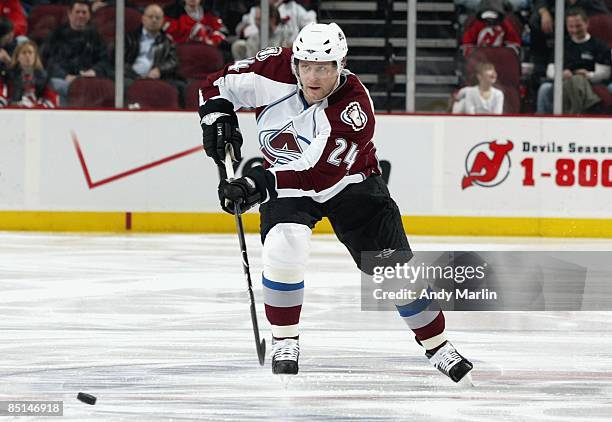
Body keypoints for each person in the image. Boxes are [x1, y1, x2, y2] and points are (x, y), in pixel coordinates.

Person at [197, 22, 474, 382]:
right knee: (285, 246)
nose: (314, 77)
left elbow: (316, 176)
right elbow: (215, 84)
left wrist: (257, 184)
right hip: (286, 186)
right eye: (306, 66)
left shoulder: (353, 107)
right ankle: (284, 339)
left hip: (352, 185)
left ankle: (438, 345)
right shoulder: (272, 69)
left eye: (325, 67)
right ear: (294, 62)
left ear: (341, 65)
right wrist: (216, 117)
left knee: (395, 274)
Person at [536, 7, 611, 114]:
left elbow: (605, 73)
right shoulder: (562, 44)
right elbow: (550, 70)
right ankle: (542, 122)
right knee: (544, 88)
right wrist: (561, 74)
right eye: (571, 27)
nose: (575, 30)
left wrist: (589, 75)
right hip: (563, 81)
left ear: (587, 23)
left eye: (578, 26)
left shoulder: (599, 45)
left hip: (590, 82)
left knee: (577, 81)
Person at [43, 0, 111, 105]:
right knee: (65, 87)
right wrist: (66, 76)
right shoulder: (56, 35)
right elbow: (49, 61)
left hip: (88, 80)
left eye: (84, 12)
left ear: (89, 15)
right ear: (70, 14)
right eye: (77, 12)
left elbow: (104, 60)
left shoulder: (96, 36)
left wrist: (93, 71)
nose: (80, 15)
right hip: (63, 80)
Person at [124, 4, 184, 105]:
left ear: (163, 21)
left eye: (157, 17)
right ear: (143, 18)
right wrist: (133, 74)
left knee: (181, 86)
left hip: (157, 77)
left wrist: (159, 70)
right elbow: (120, 61)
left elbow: (173, 61)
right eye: (150, 17)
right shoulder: (129, 38)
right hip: (131, 76)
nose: (154, 20)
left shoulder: (167, 41)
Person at [0, 40, 58, 108]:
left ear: (35, 56)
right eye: (24, 53)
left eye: (30, 52)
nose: (27, 55)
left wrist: (36, 107)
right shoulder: (8, 75)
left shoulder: (44, 77)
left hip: (36, 114)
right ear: (18, 57)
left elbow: (51, 100)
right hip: (13, 112)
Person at [231, 4, 297, 61]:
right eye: (256, 19)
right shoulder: (254, 37)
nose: (257, 23)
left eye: (260, 19)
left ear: (273, 19)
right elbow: (251, 60)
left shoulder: (288, 35)